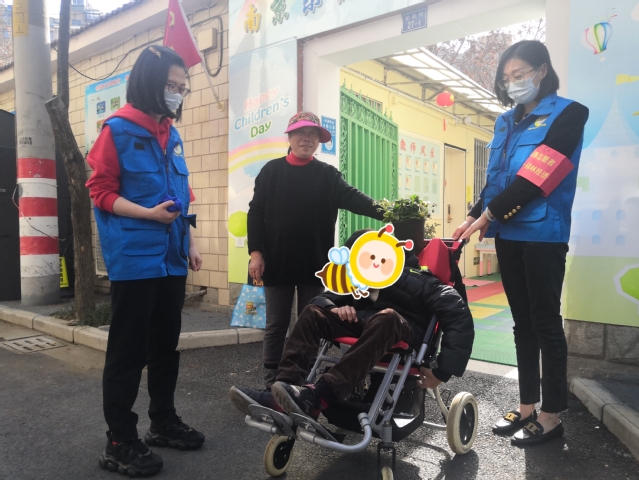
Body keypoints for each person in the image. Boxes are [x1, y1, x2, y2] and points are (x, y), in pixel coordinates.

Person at [454, 40, 589, 446]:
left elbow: (538, 175)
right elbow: (498, 179)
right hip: (508, 234)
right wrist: (473, 214)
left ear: (542, 71)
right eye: (506, 78)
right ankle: (527, 405)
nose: (513, 83)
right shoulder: (504, 121)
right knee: (522, 324)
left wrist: (489, 215)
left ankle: (551, 415)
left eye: (520, 75)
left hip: (544, 235)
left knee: (546, 323)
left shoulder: (570, 114)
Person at [86, 46, 205, 477]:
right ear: (149, 82)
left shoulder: (172, 134)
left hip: (172, 257)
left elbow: (184, 196)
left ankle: (163, 421)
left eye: (182, 87)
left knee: (164, 345)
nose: (177, 93)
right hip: (135, 258)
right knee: (128, 351)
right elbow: (101, 192)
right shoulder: (116, 130)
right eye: (171, 85)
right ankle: (119, 440)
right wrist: (149, 215)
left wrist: (191, 242)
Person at [230, 229, 474, 419]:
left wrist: (442, 372)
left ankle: (319, 396)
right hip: (368, 324)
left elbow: (458, 313)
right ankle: (283, 392)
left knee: (387, 316)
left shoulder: (415, 278)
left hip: (404, 330)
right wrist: (333, 308)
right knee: (313, 312)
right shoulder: (358, 279)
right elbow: (322, 299)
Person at [247, 112, 385, 389]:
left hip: (315, 263)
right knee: (276, 325)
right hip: (277, 260)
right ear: (289, 137)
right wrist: (256, 254)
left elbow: (356, 199)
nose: (306, 139)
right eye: (300, 133)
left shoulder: (327, 175)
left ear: (318, 141)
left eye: (312, 134)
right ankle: (271, 381)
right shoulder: (271, 172)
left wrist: (391, 212)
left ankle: (299, 379)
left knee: (308, 324)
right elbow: (255, 213)